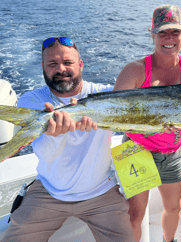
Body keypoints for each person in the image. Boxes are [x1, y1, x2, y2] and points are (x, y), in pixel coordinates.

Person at [3, 37, 135, 242]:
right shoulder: (32, 100)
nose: (61, 69)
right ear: (43, 67)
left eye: (68, 63)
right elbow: (46, 154)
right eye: (52, 64)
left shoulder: (106, 94)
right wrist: (56, 135)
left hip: (102, 193)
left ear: (80, 65)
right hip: (49, 192)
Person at [113, 5, 181, 242]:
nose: (169, 38)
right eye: (162, 32)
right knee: (135, 214)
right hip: (134, 149)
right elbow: (115, 117)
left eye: (175, 32)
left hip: (171, 151)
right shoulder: (134, 70)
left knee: (174, 208)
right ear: (152, 34)